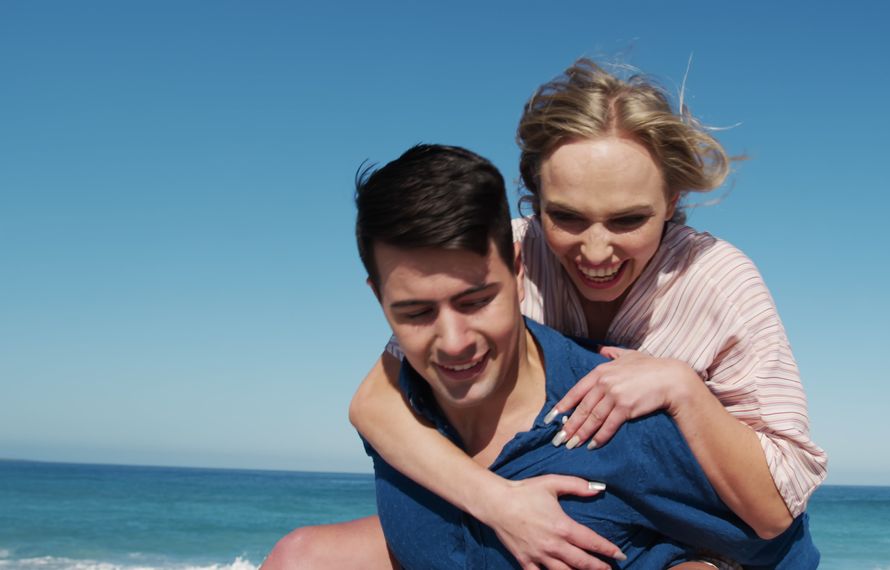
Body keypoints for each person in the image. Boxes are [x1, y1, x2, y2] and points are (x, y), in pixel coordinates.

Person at [266, 59, 827, 569]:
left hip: (696, 521)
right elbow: (375, 402)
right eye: (568, 217)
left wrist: (683, 388)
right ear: (533, 197)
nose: (598, 251)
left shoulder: (715, 282)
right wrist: (500, 505)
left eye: (629, 220)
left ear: (673, 200)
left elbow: (779, 504)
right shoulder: (513, 255)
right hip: (542, 494)